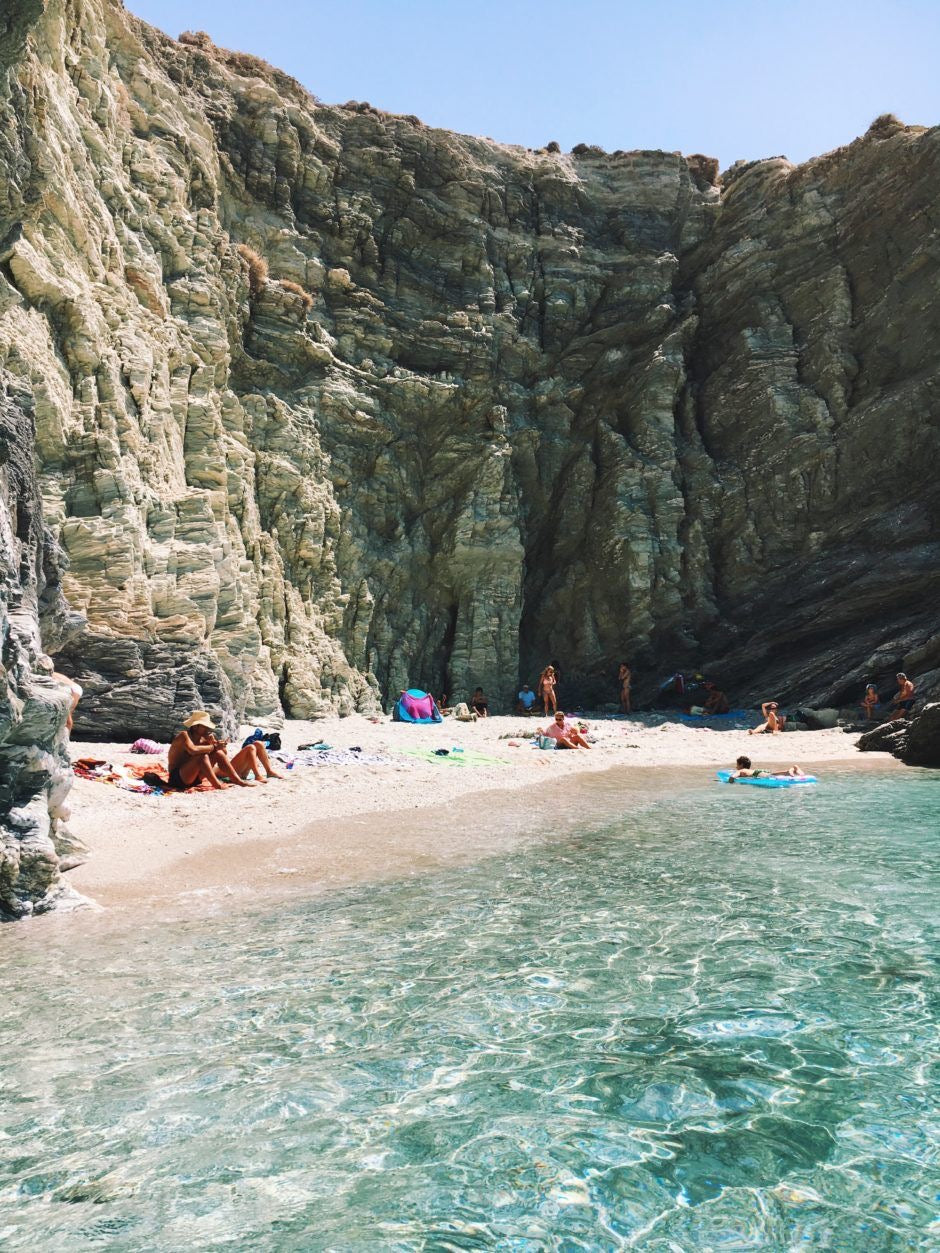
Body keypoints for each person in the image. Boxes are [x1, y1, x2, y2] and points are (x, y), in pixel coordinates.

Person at [167, 711, 283, 790]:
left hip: (195, 778)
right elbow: (193, 750)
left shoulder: (204, 739)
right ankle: (218, 785)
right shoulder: (184, 735)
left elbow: (222, 754)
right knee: (202, 756)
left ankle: (238, 781)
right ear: (196, 726)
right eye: (204, 726)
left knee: (216, 753)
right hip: (178, 778)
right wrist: (213, 747)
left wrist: (217, 746)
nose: (208, 728)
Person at [728, 755, 805, 781]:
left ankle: (791, 770)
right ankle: (794, 769)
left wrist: (730, 780)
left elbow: (733, 777)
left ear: (741, 765)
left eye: (737, 765)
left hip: (757, 774)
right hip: (759, 772)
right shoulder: (748, 770)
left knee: (773, 776)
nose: (736, 767)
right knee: (774, 774)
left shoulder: (742, 770)